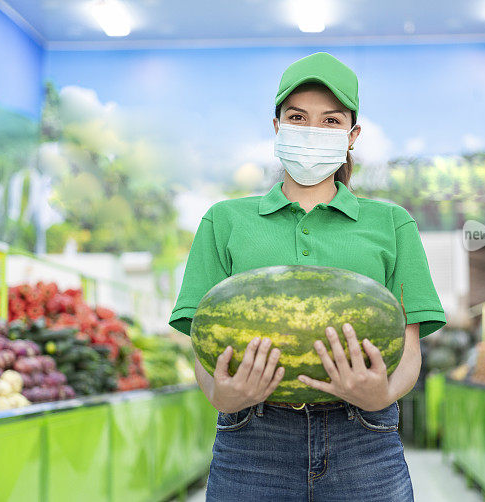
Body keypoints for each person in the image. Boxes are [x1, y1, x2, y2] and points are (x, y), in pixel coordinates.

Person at [168, 52, 446, 501]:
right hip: (252, 437)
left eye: (331, 121)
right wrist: (222, 395)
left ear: (352, 135)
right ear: (277, 127)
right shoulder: (225, 220)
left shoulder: (392, 223)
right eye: (298, 117)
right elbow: (201, 338)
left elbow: (408, 347)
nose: (312, 131)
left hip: (364, 436)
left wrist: (382, 395)